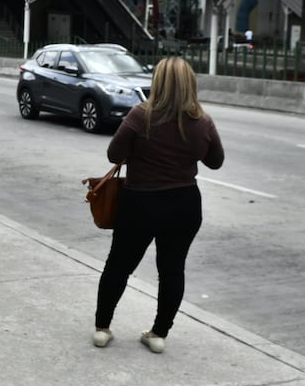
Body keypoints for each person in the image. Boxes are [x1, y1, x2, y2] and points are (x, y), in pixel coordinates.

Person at [92, 57, 224, 353]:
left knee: (119, 265)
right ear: (191, 84)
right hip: (185, 204)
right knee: (172, 269)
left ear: (158, 83)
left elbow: (114, 154)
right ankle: (158, 335)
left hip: (141, 203)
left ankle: (102, 329)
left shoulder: (141, 116)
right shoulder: (202, 121)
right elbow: (215, 162)